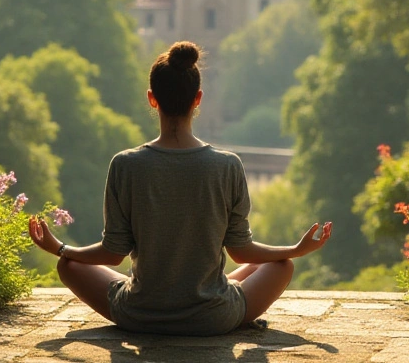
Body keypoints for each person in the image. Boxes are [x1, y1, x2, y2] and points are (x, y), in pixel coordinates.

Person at [27, 40, 332, 336]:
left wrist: (60, 249)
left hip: (140, 314)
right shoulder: (227, 166)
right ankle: (208, 291)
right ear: (198, 98)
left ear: (152, 98)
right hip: (213, 318)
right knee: (282, 265)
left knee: (69, 266)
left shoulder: (126, 164)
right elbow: (241, 251)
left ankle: (196, 291)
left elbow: (112, 253)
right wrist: (295, 249)